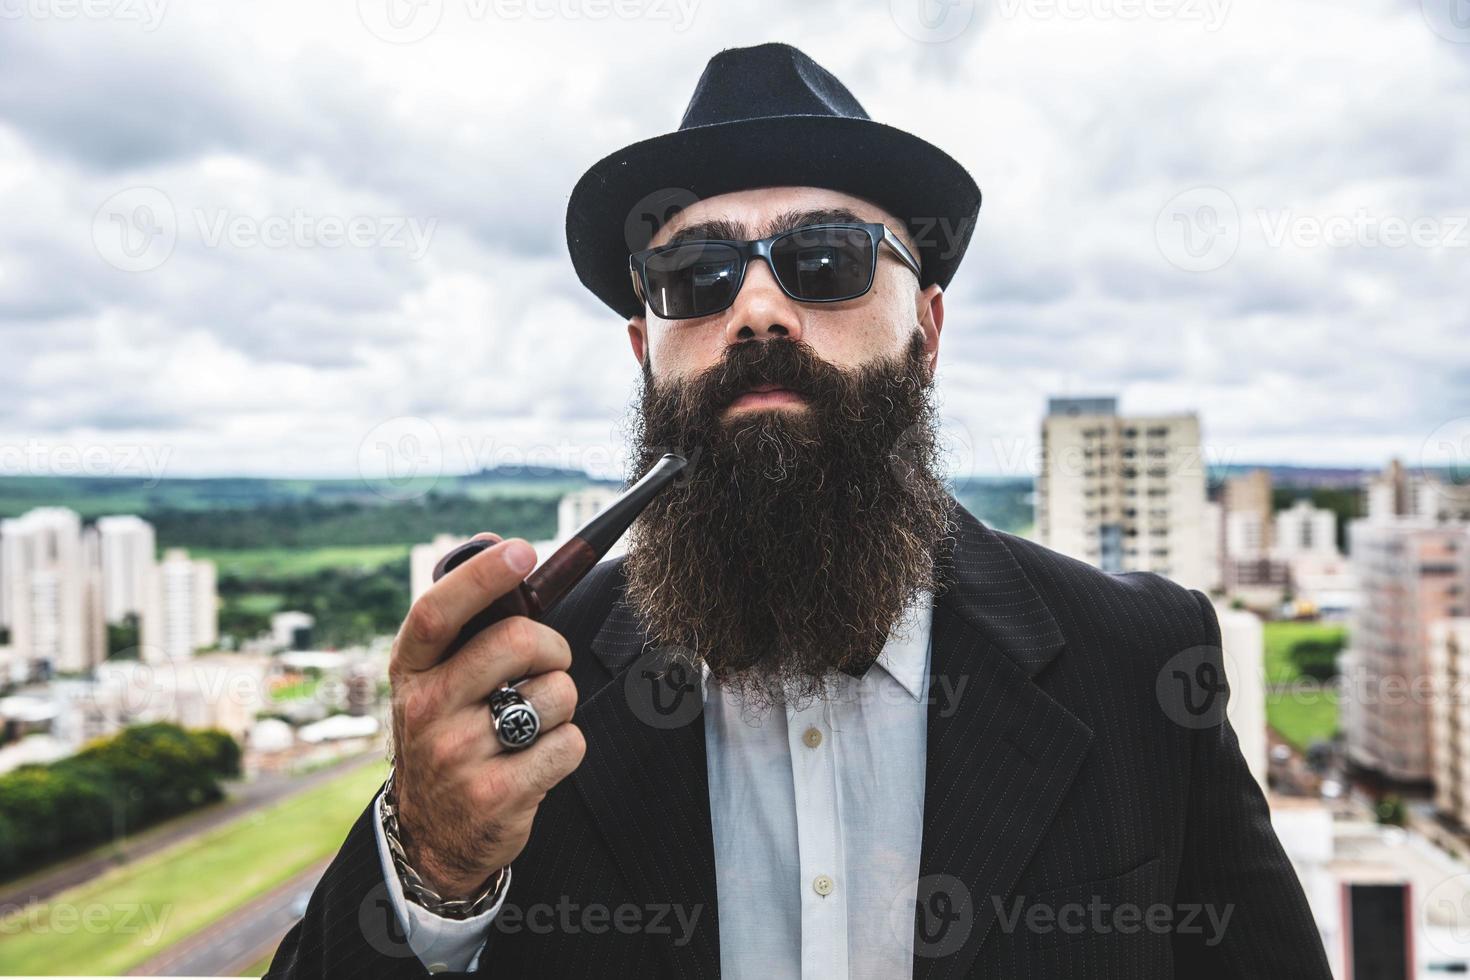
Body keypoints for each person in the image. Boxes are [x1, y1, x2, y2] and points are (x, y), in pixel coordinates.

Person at [267, 42, 1331, 979]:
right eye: (695, 277)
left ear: (926, 324)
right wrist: (434, 863)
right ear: (647, 350)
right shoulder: (530, 684)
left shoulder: (1137, 661)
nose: (759, 309)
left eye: (827, 260)